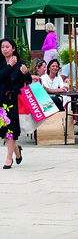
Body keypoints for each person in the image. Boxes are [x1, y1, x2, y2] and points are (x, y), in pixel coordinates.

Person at [0, 38, 31, 169]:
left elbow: (27, 80)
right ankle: (16, 149)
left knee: (10, 131)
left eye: (7, 47)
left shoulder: (20, 63)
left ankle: (8, 158)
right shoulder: (1, 63)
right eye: (2, 47)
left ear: (13, 49)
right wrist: (9, 66)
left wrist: (26, 73)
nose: (5, 49)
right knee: (4, 130)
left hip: (13, 101)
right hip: (1, 100)